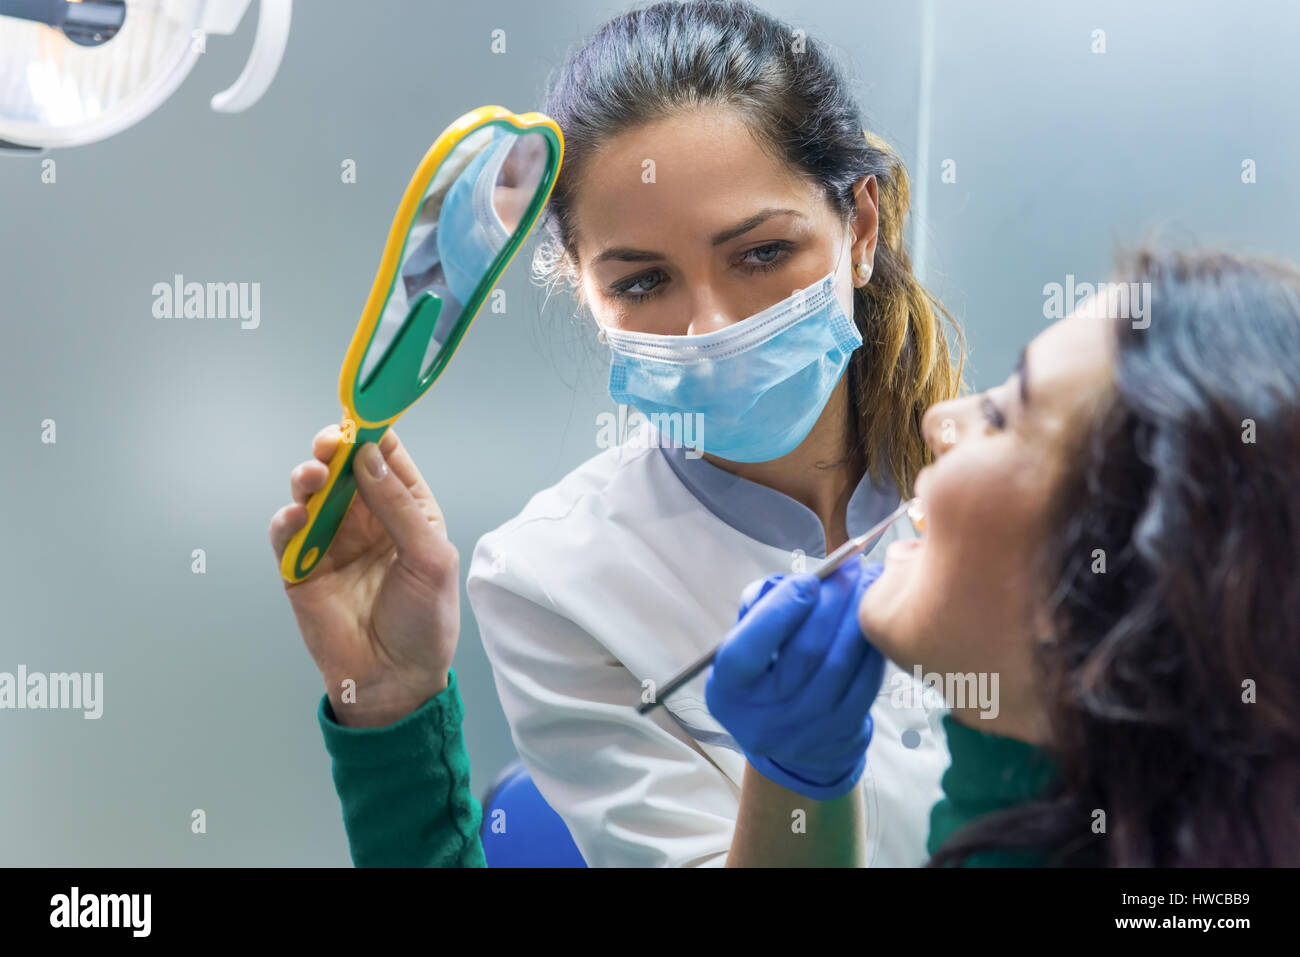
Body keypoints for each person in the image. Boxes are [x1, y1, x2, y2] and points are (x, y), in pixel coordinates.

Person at [708, 247, 1300, 866]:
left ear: (1112, 575)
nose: (940, 420)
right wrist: (794, 782)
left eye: (1002, 413)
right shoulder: (1022, 788)